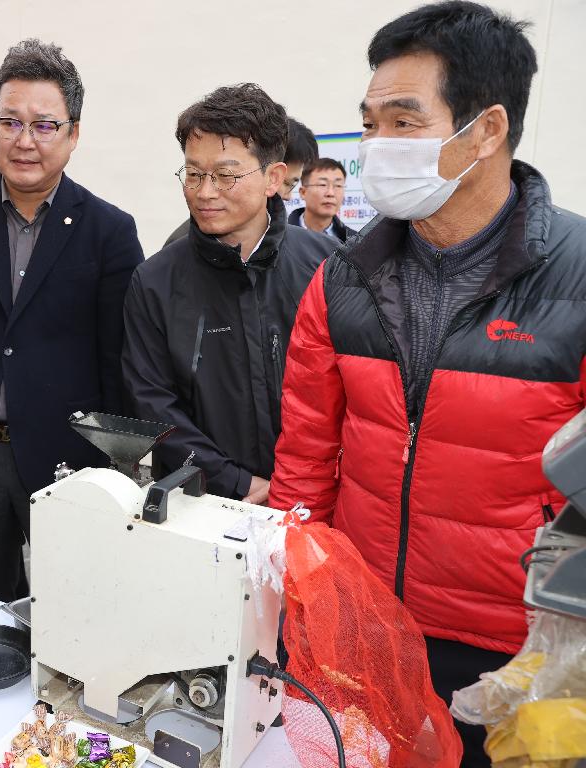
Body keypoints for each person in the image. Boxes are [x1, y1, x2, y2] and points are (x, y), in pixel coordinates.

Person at [268, 3, 585, 765]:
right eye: (369, 122)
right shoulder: (342, 277)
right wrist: (297, 596)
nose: (376, 146)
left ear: (486, 130)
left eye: (404, 122)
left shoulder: (575, 276)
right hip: (367, 621)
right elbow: (305, 460)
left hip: (516, 642)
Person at [0, 39, 143, 602]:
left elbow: (121, 359)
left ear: (73, 133)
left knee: (77, 603)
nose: (24, 141)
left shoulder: (110, 231)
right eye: (9, 122)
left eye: (44, 125)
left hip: (73, 457)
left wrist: (120, 468)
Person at [122, 84, 332, 503]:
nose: (204, 192)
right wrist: (235, 482)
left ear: (274, 177)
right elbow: (151, 402)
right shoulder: (155, 280)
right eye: (194, 173)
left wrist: (301, 481)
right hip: (201, 501)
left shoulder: (326, 266)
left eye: (225, 175)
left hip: (313, 499)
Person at [166, 116, 317, 245]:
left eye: (292, 184)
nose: (205, 193)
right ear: (270, 175)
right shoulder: (177, 251)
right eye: (193, 174)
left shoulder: (312, 252)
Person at [289, 157, 357, 242]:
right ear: (303, 192)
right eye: (322, 185)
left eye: (338, 185)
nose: (330, 193)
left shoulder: (354, 242)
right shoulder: (278, 235)